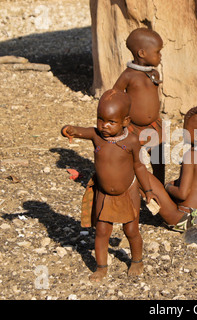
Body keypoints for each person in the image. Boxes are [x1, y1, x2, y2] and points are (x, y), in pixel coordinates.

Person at [61, 89, 158, 282]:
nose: (104, 126)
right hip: (104, 193)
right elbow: (76, 130)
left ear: (126, 121)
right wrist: (67, 130)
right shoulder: (97, 136)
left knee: (131, 230)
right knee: (102, 231)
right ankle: (101, 267)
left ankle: (137, 260)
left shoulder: (131, 142)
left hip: (128, 192)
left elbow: (139, 166)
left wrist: (148, 191)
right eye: (100, 119)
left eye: (111, 122)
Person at [147, 104, 197, 232]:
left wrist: (167, 187)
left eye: (185, 130)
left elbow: (182, 194)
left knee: (144, 174)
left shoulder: (191, 155)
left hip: (187, 218)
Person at [113, 27, 166, 185]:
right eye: (157, 52)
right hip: (133, 127)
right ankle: (132, 185)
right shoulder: (128, 75)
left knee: (159, 157)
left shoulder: (154, 74)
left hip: (154, 125)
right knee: (133, 158)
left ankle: (159, 185)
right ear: (142, 53)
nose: (160, 56)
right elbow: (115, 95)